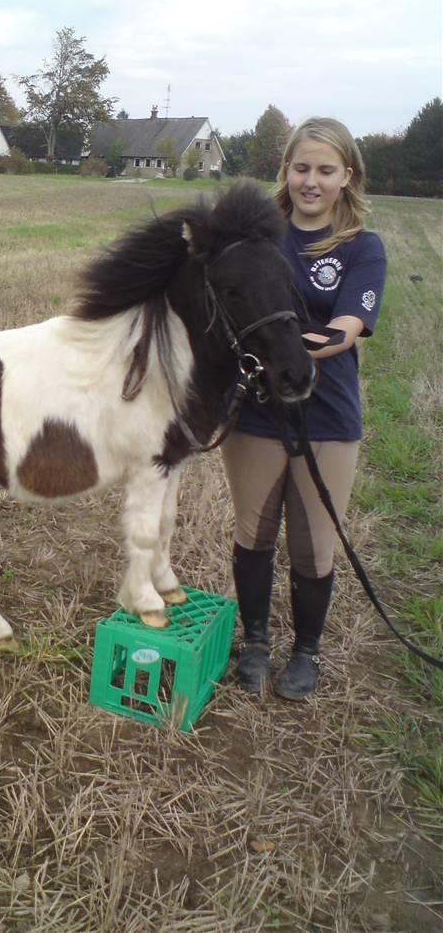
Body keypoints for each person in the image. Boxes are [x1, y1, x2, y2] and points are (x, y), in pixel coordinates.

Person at [221, 117, 387, 701]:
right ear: (284, 172)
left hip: (329, 416)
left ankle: (307, 650)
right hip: (258, 413)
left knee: (315, 543)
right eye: (300, 168)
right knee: (254, 532)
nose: (310, 181)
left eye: (324, 170)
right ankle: (258, 641)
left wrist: (304, 342)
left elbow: (347, 325)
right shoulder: (257, 240)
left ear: (348, 176)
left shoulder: (362, 248)